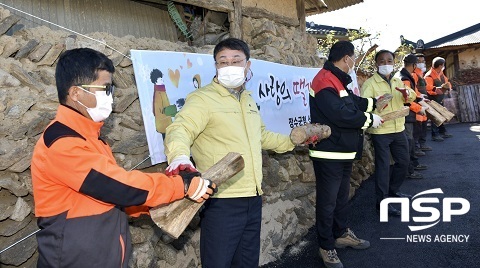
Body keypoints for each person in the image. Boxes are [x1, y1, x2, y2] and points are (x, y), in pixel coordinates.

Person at [31, 48, 216, 268]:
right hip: (74, 259)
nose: (110, 96)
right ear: (76, 93)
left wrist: (157, 203)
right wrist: (181, 186)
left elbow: (112, 196)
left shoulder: (92, 139)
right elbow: (118, 187)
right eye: (105, 88)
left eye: (112, 88)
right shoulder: (61, 143)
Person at [163, 38, 296, 267]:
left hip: (253, 197)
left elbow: (261, 136)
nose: (229, 66)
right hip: (221, 200)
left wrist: (292, 141)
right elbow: (180, 129)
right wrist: (179, 157)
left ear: (248, 65)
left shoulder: (248, 99)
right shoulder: (203, 99)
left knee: (246, 263)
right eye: (223, 62)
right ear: (215, 66)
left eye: (236, 60)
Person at [309, 40, 381, 268]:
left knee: (340, 199)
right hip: (329, 152)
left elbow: (351, 103)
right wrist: (370, 119)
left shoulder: (336, 79)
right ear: (346, 58)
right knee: (327, 202)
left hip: (343, 151)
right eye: (354, 57)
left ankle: (340, 234)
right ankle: (326, 246)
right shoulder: (323, 80)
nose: (354, 62)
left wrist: (374, 103)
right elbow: (341, 114)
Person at [361, 50, 417, 216]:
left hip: (398, 128)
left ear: (394, 63)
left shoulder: (397, 80)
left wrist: (408, 94)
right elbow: (364, 105)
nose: (386, 64)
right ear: (376, 64)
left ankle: (393, 191)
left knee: (403, 162)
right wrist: (378, 104)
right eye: (382, 61)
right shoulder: (370, 84)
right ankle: (382, 203)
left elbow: (411, 96)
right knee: (384, 167)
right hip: (381, 131)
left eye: (389, 60)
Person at [396, 54, 428, 180]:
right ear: (414, 65)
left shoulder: (404, 76)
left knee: (410, 142)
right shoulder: (405, 78)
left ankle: (413, 164)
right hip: (406, 115)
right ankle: (410, 170)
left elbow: (412, 94)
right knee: (408, 143)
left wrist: (420, 98)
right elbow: (406, 100)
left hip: (407, 114)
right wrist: (419, 108)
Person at [424, 56, 453, 141]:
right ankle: (435, 135)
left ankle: (442, 131)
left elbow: (447, 82)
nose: (444, 66)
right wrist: (437, 91)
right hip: (433, 98)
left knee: (441, 115)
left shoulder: (441, 73)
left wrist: (448, 87)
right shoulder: (428, 76)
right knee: (435, 117)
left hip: (440, 98)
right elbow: (428, 89)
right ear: (440, 65)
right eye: (443, 65)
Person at [413, 53, 432, 152]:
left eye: (423, 61)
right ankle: (417, 147)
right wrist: (420, 97)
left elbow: (425, 87)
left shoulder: (421, 74)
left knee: (423, 125)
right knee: (417, 128)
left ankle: (422, 144)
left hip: (423, 103)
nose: (422, 63)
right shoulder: (413, 75)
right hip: (418, 104)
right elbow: (413, 91)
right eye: (419, 61)